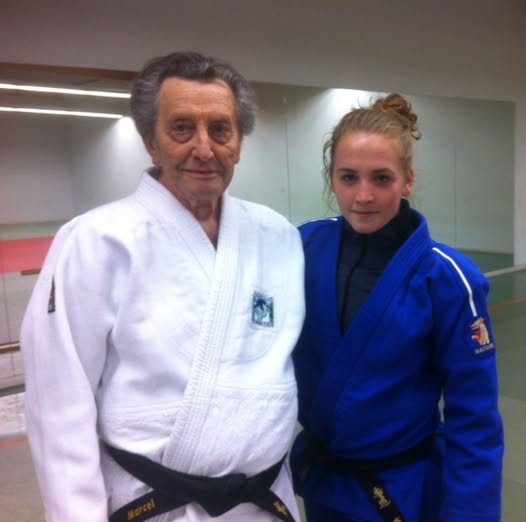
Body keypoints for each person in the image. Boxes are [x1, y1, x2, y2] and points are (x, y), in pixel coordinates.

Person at [21, 51, 305, 522]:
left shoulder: (278, 235)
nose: (204, 148)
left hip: (263, 501)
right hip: (152, 505)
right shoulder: (95, 241)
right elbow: (59, 403)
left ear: (239, 142)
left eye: (220, 129)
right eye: (181, 128)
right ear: (151, 143)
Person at [290, 93, 504, 522]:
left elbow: (474, 418)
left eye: (381, 178)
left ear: (407, 180)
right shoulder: (302, 247)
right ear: (331, 178)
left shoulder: (447, 277)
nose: (363, 195)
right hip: (325, 483)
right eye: (348, 177)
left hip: (400, 489)